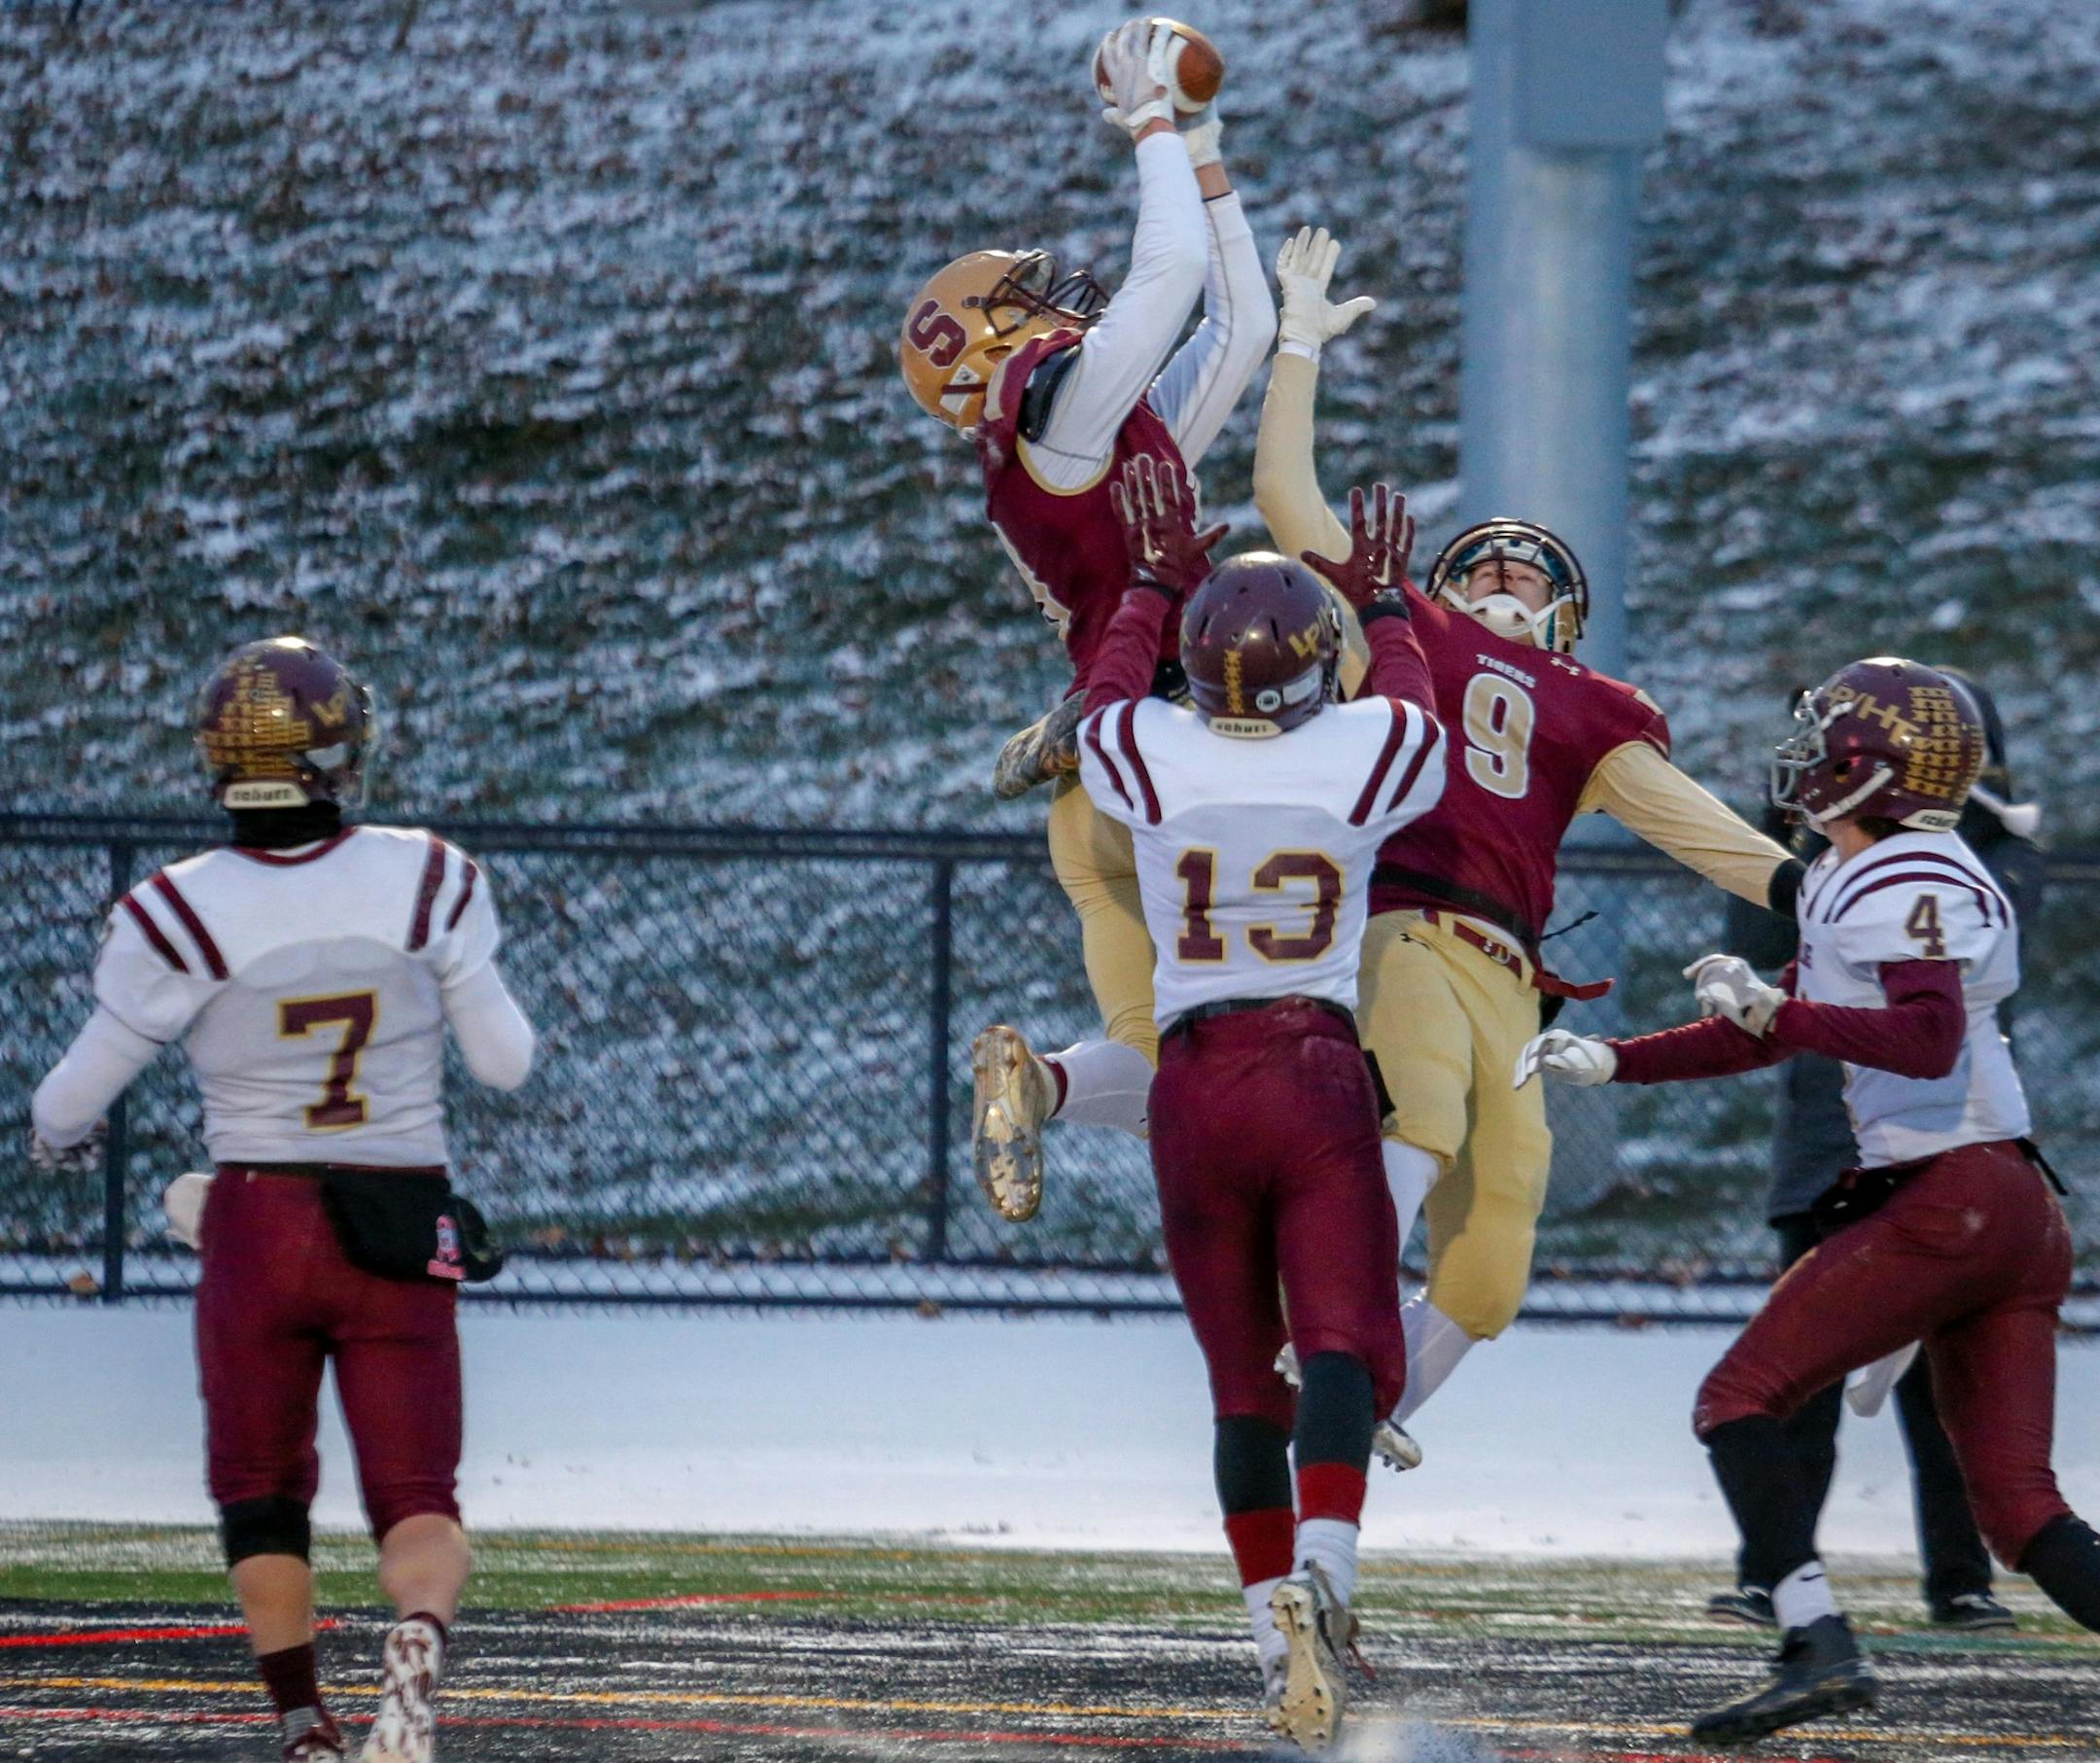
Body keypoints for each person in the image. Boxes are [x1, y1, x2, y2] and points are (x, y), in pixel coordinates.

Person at [1250, 227, 1801, 1468]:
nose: (1501, 574)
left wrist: (1808, 882)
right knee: (1424, 1105)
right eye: (1481, 561)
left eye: (1523, 568)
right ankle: (1331, 1310)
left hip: (1514, 974)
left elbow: (1696, 826)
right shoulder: (1404, 627)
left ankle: (1372, 1404)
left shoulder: (1596, 709)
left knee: (1499, 1245)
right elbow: (1286, 505)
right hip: (1408, 919)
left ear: (1565, 614)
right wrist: (1295, 346)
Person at [1518, 657, 2100, 1744]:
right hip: (2001, 1203)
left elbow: (1922, 1041)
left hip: (1955, 1196)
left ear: (1868, 769)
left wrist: (1776, 1019)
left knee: (1737, 1400)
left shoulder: (1914, 872)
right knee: (2022, 1514)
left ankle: (1816, 1643)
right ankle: (1816, 1640)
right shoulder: (1858, 869)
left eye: (1824, 742)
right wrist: (1613, 1061)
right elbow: (1783, 1014)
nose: (1800, 760)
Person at [29, 637, 536, 1763]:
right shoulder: (426, 876)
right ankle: (414, 1648)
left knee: (261, 1496)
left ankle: (306, 1724)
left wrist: (58, 1138)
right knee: (418, 1495)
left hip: (253, 1219)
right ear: (343, 750)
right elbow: (505, 1061)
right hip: (398, 1216)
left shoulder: (176, 907)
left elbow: (73, 1096)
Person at [1076, 457, 1444, 1748]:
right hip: (1313, 1067)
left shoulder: (1151, 749)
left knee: (1243, 1386)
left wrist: (1144, 584)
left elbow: (1104, 707)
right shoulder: (1359, 747)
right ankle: (1328, 1587)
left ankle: (1264, 1633)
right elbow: (1410, 709)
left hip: (1193, 1081)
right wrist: (1387, 602)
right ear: (1311, 667)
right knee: (1336, 1344)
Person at [897, 18, 1275, 1223]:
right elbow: (1168, 287)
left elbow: (1243, 333)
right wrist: (1153, 124)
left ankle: (1042, 1082)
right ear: (996, 352)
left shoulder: (1090, 447)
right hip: (1170, 757)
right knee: (1317, 1011)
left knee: (1168, 1070)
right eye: (1026, 300)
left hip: (1103, 782)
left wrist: (1206, 150)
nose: (1058, 302)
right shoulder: (1055, 434)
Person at [1702, 667, 2046, 1635]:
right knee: (1792, 1374)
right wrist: (1815, 843)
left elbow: (1994, 932)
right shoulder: (1820, 851)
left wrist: (1915, 832)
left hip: (1941, 1149)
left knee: (1948, 1384)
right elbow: (1757, 935)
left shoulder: (1978, 859)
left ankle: (1961, 1576)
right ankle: (1776, 1567)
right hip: (1827, 1140)